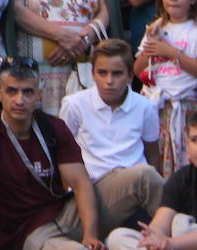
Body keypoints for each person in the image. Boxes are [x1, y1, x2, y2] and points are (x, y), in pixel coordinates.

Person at [0, 58, 110, 250]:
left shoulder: (54, 127)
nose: (20, 100)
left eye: (27, 92)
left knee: (141, 178)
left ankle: (166, 249)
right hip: (24, 238)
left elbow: (80, 183)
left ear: (39, 94)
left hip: (64, 214)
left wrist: (90, 235)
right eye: (12, 91)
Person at [61, 39, 164, 214]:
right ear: (92, 74)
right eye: (102, 73)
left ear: (130, 76)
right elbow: (62, 155)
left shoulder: (145, 107)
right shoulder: (74, 104)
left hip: (136, 188)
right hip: (91, 189)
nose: (109, 81)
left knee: (145, 174)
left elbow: (153, 154)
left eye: (117, 74)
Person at [105, 110, 197, 250]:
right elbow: (161, 223)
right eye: (195, 140)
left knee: (182, 226)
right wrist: (154, 241)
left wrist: (171, 245)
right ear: (187, 145)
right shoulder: (181, 179)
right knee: (117, 238)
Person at [136, 0, 197, 177]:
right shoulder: (156, 27)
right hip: (155, 105)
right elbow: (137, 71)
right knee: (154, 161)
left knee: (183, 164)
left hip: (184, 106)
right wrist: (150, 48)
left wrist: (171, 52)